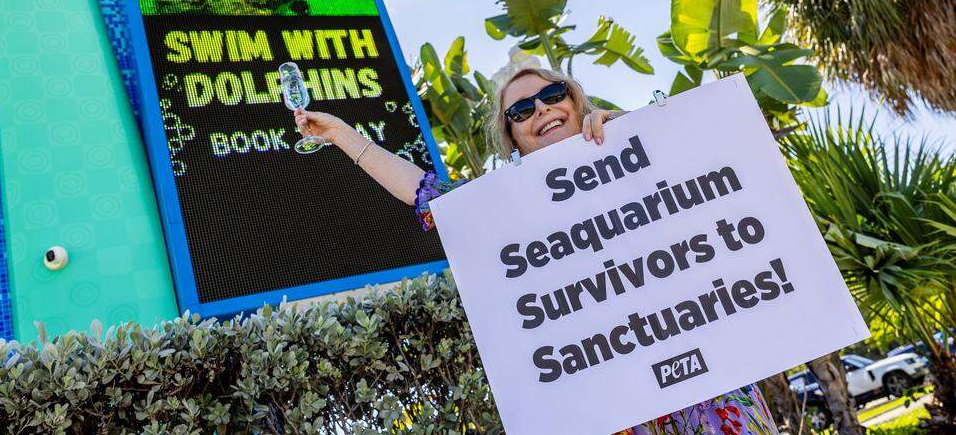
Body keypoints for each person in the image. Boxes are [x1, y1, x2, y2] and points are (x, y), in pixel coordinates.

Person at [295, 67, 778, 435]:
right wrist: (341, 134)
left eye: (551, 95)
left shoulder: (645, 143)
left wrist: (634, 131)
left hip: (712, 392)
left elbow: (723, 165)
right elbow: (425, 193)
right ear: (513, 140)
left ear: (574, 101)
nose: (541, 109)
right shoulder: (506, 210)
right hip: (614, 404)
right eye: (521, 111)